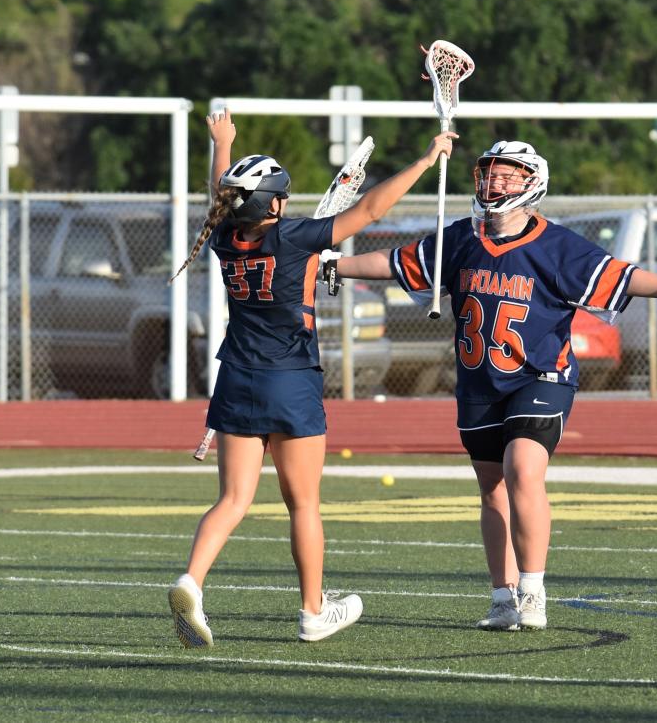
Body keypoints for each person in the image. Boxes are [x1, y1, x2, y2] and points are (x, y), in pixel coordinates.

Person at [325, 140, 657, 631]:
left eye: (508, 175)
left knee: (522, 469)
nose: (496, 182)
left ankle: (533, 590)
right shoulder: (460, 239)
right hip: (478, 383)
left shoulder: (556, 246)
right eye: (491, 173)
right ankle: (502, 596)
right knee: (492, 489)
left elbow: (618, 276)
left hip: (541, 376)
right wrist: (333, 265)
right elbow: (396, 263)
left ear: (532, 181)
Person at [167, 108, 457, 646]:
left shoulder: (224, 235)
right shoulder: (296, 238)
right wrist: (426, 158)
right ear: (272, 202)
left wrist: (221, 145)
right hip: (290, 378)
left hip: (235, 378)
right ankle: (311, 612)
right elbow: (371, 208)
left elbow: (222, 194)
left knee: (232, 500)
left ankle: (192, 580)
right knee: (303, 504)